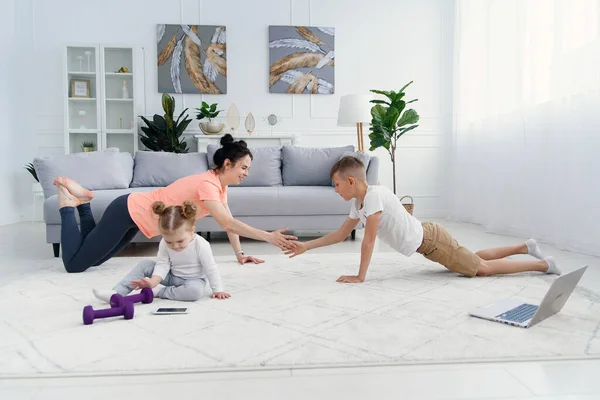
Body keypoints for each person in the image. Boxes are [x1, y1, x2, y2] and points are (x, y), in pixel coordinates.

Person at [284, 156, 561, 283]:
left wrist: (360, 276)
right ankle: (525, 246)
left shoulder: (373, 198)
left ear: (351, 181)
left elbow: (367, 242)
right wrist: (305, 247)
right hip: (429, 241)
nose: (334, 189)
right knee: (472, 258)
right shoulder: (360, 201)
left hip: (431, 241)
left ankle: (542, 265)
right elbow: (340, 235)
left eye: (336, 184)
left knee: (481, 268)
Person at [55, 134, 296, 273]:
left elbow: (228, 219)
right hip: (127, 211)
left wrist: (240, 253)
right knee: (75, 266)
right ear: (227, 165)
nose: (246, 173)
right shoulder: (207, 185)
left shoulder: (218, 186)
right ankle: (67, 205)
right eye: (243, 167)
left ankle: (84, 202)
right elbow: (228, 223)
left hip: (133, 219)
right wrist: (268, 237)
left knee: (94, 260)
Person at [93, 201, 230, 303]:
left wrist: (217, 289)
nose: (175, 246)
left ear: (191, 230)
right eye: (169, 242)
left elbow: (210, 268)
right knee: (145, 264)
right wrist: (153, 281)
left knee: (195, 292)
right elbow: (163, 264)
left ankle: (160, 291)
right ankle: (117, 293)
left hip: (193, 280)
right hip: (171, 275)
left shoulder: (201, 244)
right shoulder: (165, 243)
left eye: (180, 241)